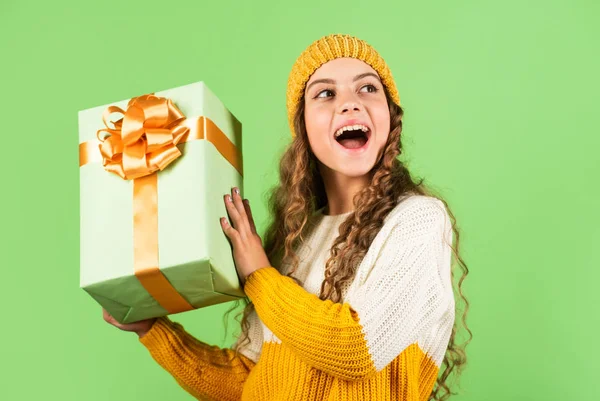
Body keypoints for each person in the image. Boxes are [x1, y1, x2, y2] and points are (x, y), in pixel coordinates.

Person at [103, 33, 471, 401]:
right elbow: (246, 381)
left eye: (368, 89)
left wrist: (258, 276)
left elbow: (356, 349)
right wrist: (153, 329)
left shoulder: (417, 220)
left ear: (390, 116)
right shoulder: (296, 239)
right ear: (303, 129)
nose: (350, 104)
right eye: (326, 94)